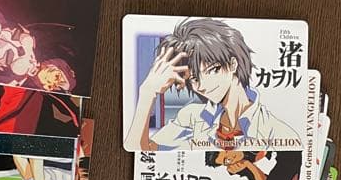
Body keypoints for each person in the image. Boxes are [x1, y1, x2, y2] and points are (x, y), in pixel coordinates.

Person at [124, 17, 299, 152]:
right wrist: (147, 92)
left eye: (211, 70)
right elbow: (139, 151)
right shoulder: (192, 116)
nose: (201, 85)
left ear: (233, 64)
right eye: (194, 78)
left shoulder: (276, 131)